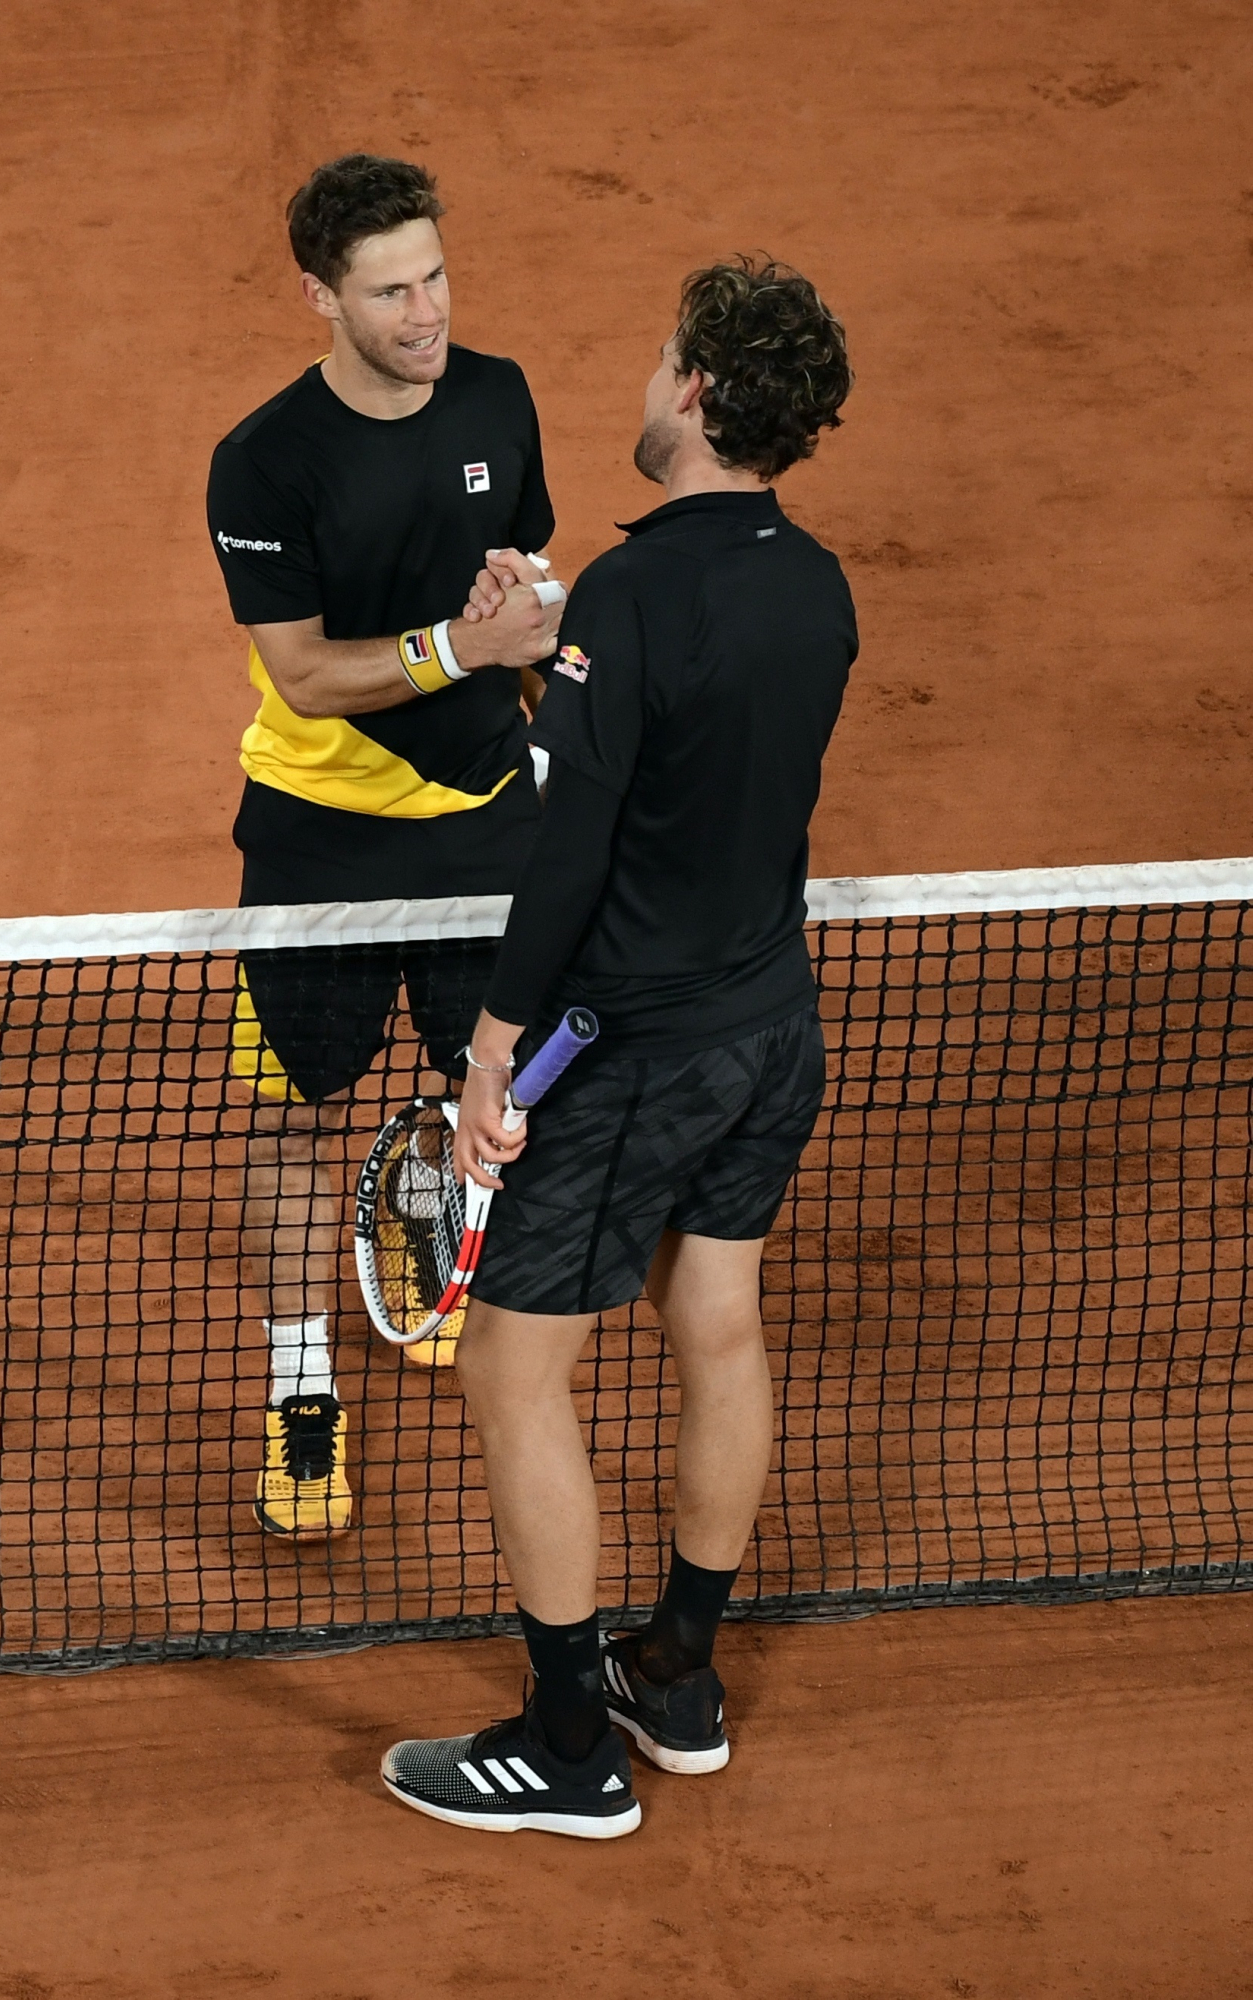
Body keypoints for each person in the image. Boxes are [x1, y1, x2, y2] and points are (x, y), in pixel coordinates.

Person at [380, 256, 857, 1836]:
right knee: (716, 1323)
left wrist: (489, 1057)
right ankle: (680, 1676)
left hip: (632, 1053)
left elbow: (574, 849)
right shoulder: (818, 586)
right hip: (770, 1034)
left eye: (665, 362)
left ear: (699, 392)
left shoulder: (640, 593)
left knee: (512, 1369)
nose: (648, 382)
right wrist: (561, 656)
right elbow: (690, 757)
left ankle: (570, 1744)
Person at [206, 154, 561, 1541]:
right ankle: (302, 1388)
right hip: (321, 843)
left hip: (486, 822)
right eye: (392, 292)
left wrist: (526, 619)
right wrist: (460, 647)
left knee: (478, 1078)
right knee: (295, 1117)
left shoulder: (497, 395)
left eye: (437, 277)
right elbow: (303, 675)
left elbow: (523, 573)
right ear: (321, 298)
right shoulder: (265, 461)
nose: (428, 313)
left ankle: (414, 1213)